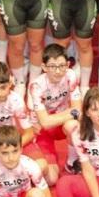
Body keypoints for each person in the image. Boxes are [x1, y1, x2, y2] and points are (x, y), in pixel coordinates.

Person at [26, 42, 82, 185]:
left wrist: (68, 114)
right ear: (44, 67)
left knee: (73, 125)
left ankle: (71, 162)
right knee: (51, 179)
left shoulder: (70, 75)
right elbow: (45, 123)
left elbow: (78, 110)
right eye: (52, 66)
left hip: (60, 125)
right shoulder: (36, 86)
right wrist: (70, 112)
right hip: (42, 131)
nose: (58, 71)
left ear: (68, 64)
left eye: (62, 66)